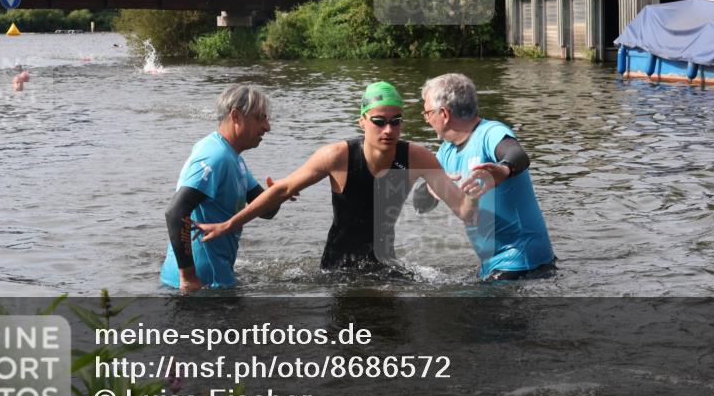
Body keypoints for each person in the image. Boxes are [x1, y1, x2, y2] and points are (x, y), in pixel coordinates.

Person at [197, 82, 478, 272]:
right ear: (363, 122)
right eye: (379, 121)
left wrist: (480, 187)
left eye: (396, 121)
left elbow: (463, 209)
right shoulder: (337, 156)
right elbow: (282, 189)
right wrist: (230, 224)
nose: (389, 130)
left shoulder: (416, 157)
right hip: (337, 270)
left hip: (385, 266)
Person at [417, 73, 556, 281]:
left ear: (444, 114)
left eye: (427, 113)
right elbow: (420, 205)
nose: (427, 119)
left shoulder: (490, 133)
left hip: (523, 260)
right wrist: (432, 187)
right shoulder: (446, 152)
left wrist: (504, 169)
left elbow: (518, 155)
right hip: (493, 265)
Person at [160, 85, 286, 292]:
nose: (267, 127)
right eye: (260, 118)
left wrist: (281, 192)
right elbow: (175, 212)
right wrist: (188, 278)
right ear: (236, 116)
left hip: (216, 279)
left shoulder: (234, 158)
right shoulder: (215, 156)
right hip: (198, 286)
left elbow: (267, 211)